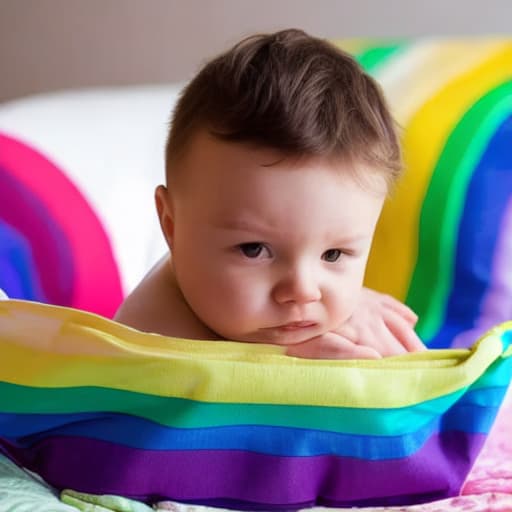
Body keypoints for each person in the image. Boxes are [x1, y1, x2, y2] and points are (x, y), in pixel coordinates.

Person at [115, 28, 425, 359]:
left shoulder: (215, 285)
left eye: (333, 255)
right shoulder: (151, 351)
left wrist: (352, 308)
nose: (303, 292)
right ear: (171, 225)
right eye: (254, 250)